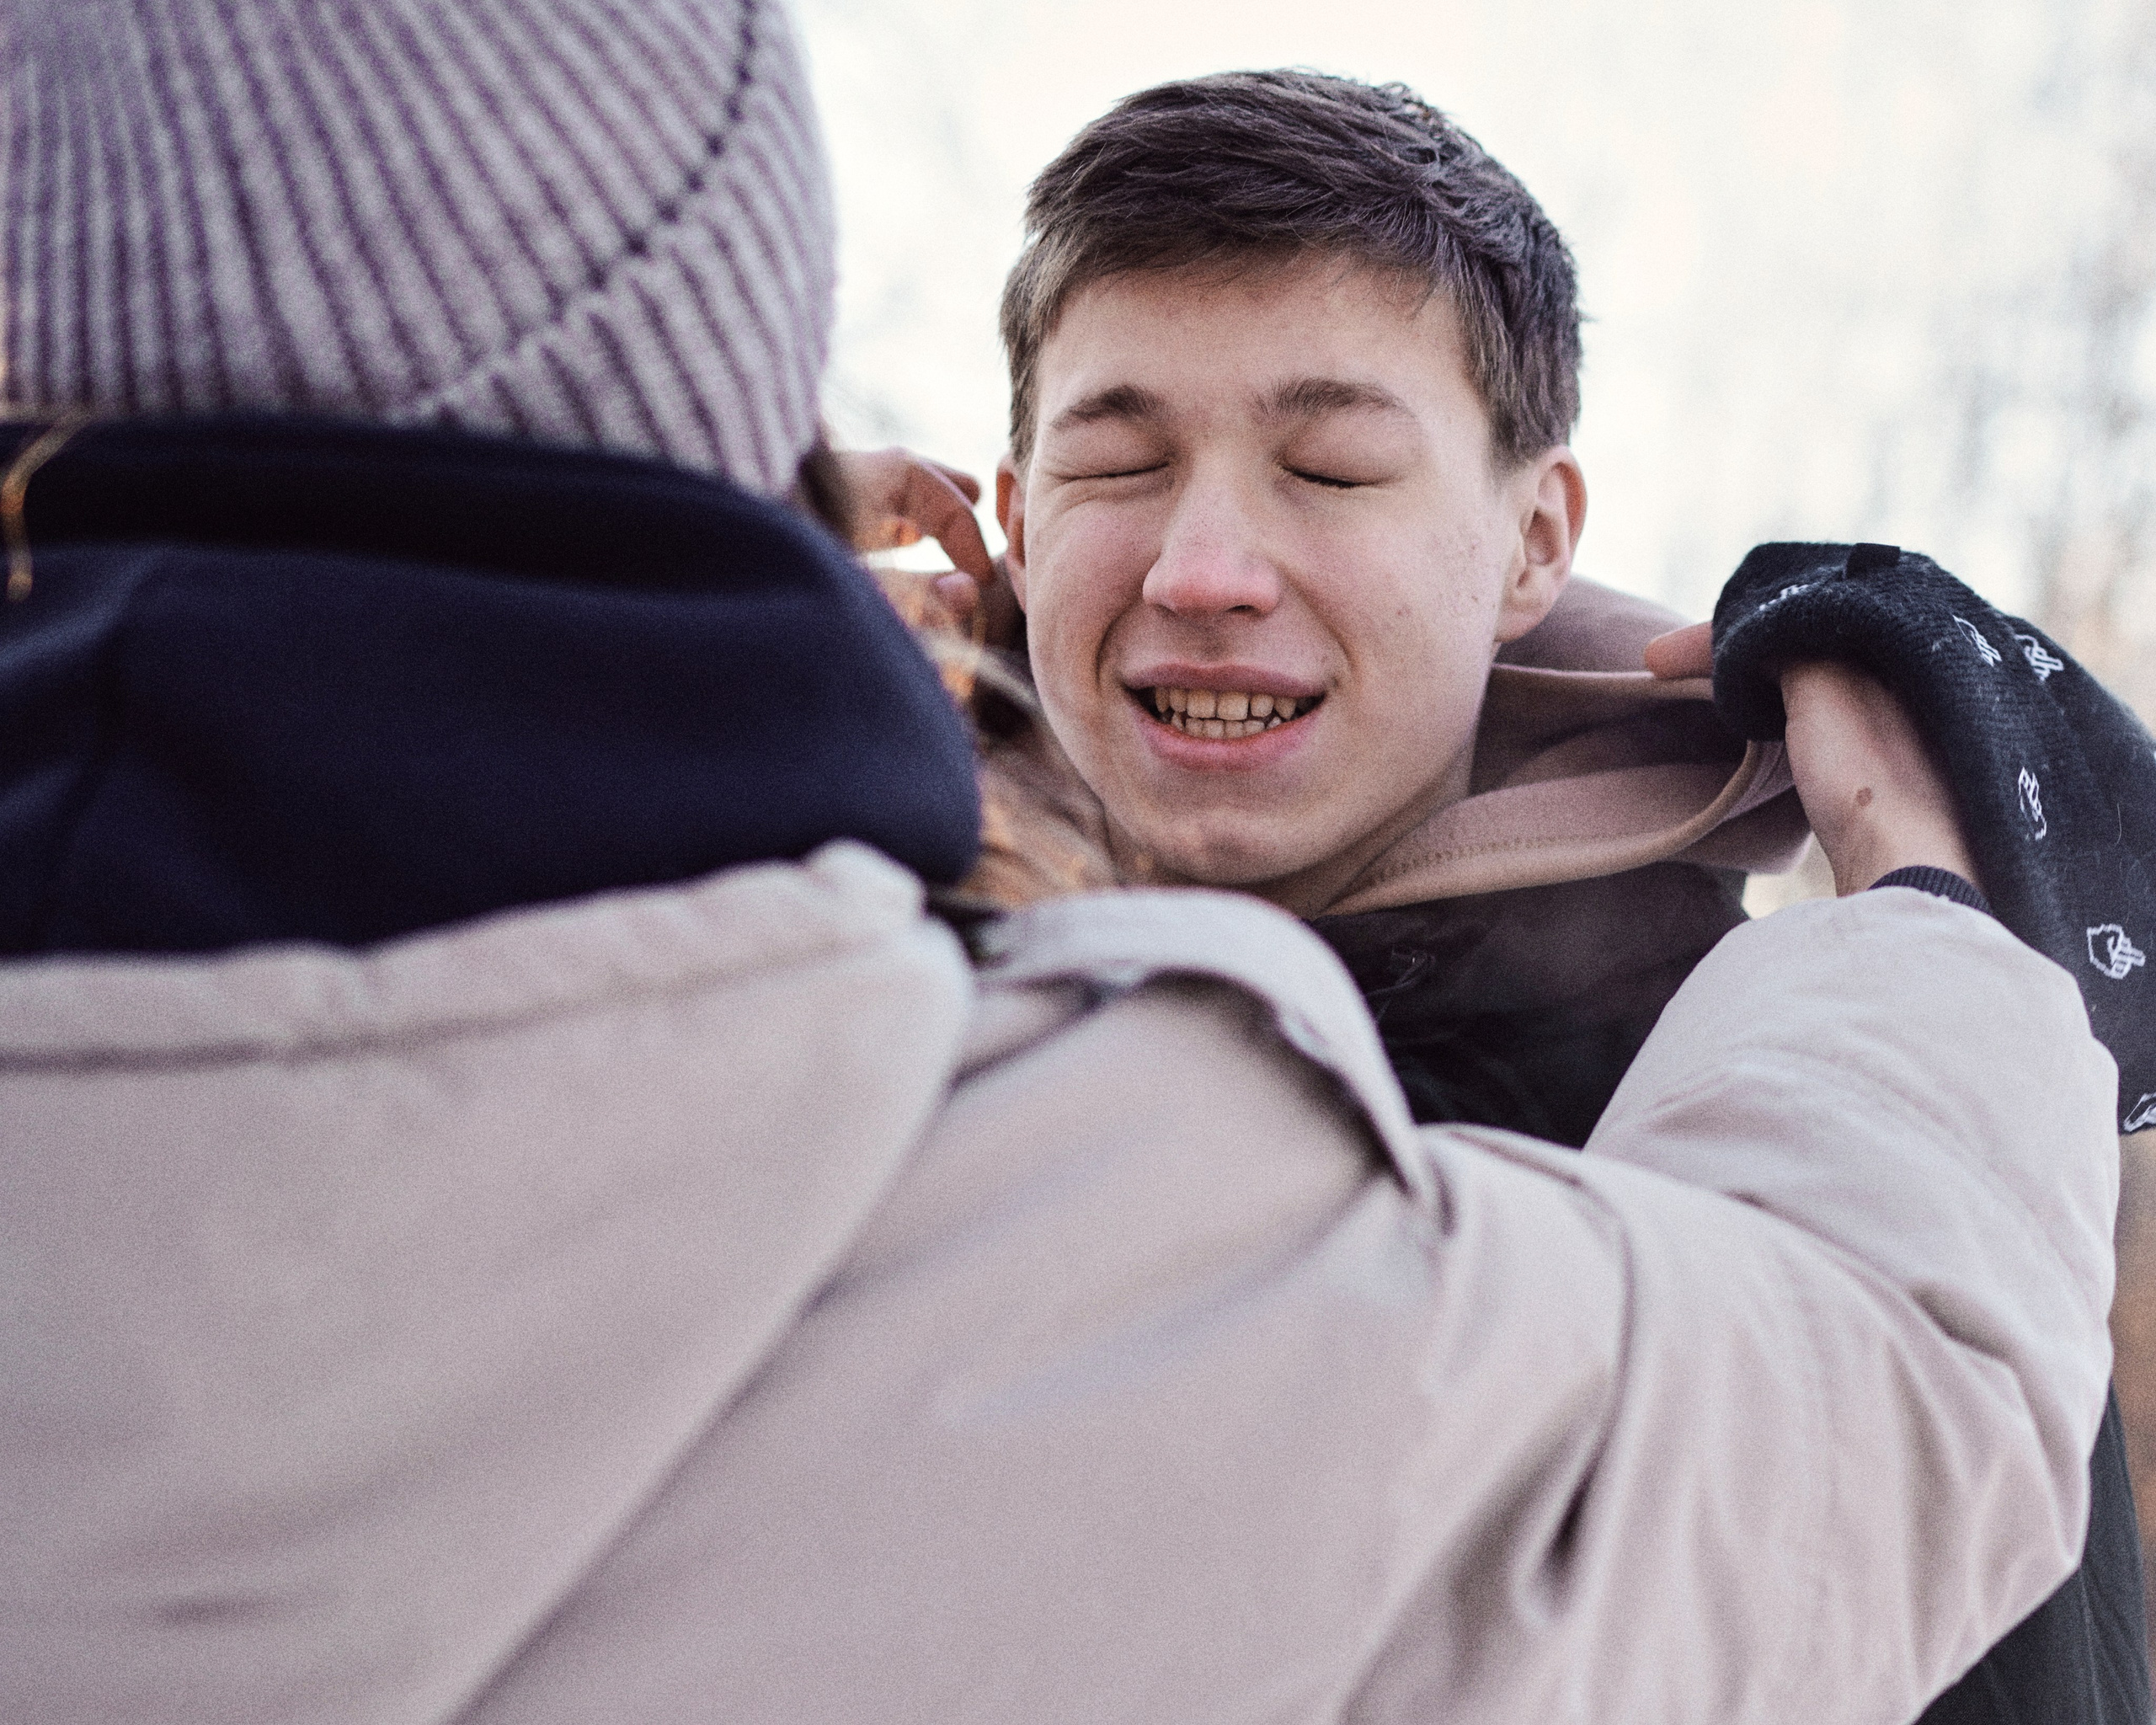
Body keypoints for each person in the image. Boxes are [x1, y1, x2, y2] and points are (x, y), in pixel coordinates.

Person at [0, 5, 2123, 1722]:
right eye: (1115, 463)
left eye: (1327, 465)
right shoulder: (818, 1009)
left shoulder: (1717, 1115)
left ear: (1534, 540)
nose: (1201, 568)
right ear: (1004, 518)